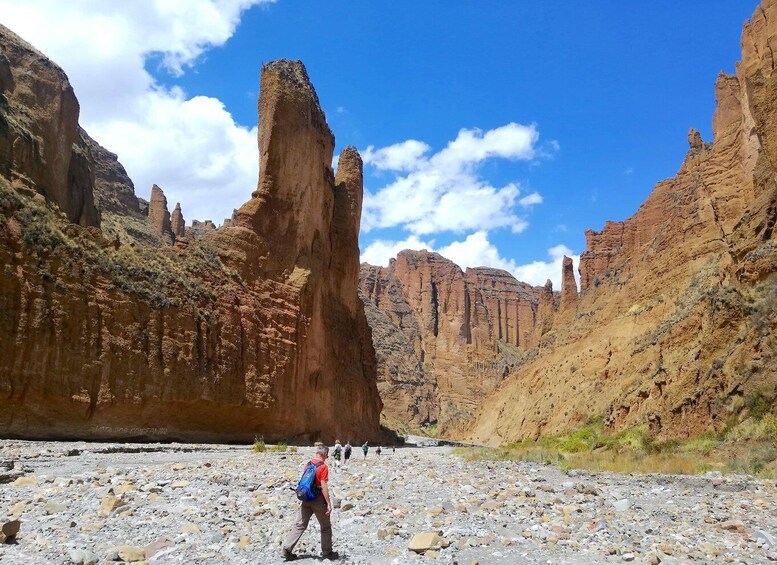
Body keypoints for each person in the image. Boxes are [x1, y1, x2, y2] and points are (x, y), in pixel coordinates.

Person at [281, 446, 339, 561]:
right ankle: (327, 553)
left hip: (306, 498)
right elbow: (323, 487)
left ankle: (287, 549)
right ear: (325, 455)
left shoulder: (308, 464)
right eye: (327, 455)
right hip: (317, 499)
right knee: (326, 527)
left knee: (300, 524)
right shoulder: (323, 467)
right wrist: (328, 503)